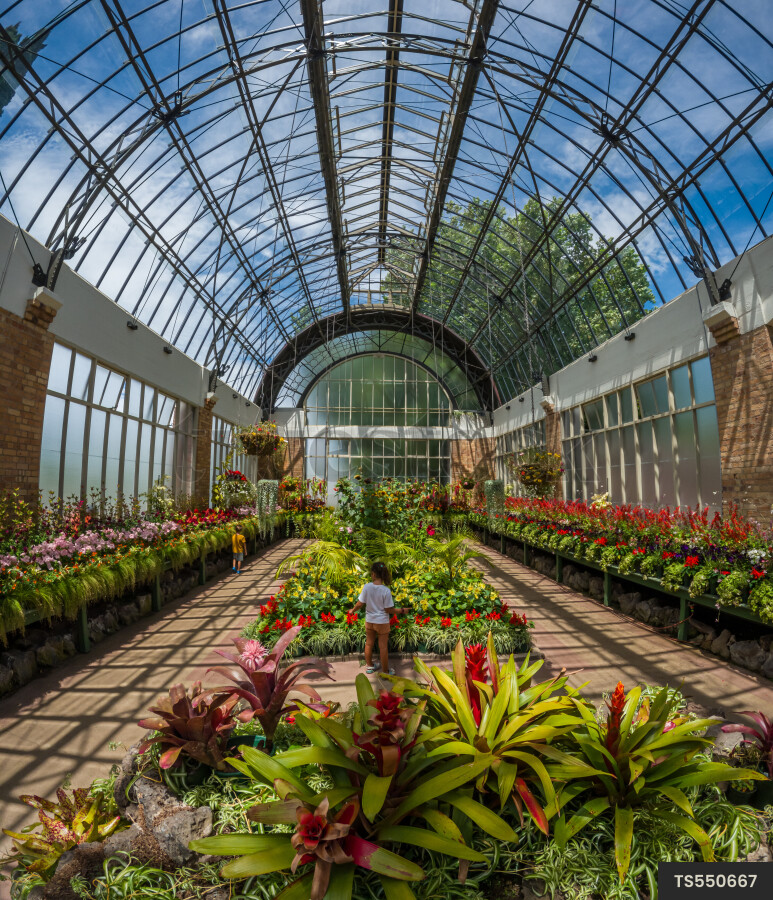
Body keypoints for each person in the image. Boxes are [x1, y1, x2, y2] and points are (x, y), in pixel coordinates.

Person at [350, 562, 409, 676]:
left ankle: (370, 667)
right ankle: (386, 671)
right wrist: (402, 610)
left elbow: (360, 603)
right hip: (382, 622)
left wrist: (353, 610)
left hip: (370, 621)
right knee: (383, 647)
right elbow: (388, 610)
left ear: (373, 574)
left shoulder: (367, 587)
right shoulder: (385, 590)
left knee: (369, 644)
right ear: (383, 575)